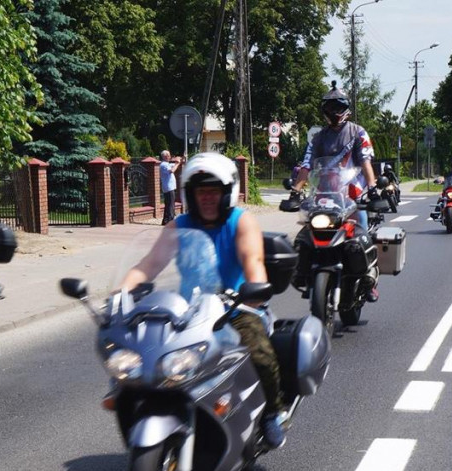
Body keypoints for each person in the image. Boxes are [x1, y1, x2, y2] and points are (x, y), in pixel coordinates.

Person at [120, 153, 288, 449]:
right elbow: (149, 264)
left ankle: (273, 412)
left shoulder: (241, 221)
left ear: (226, 193)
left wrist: (255, 292)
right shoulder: (178, 226)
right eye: (201, 192)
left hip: (237, 307)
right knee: (147, 358)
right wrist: (120, 295)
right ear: (191, 195)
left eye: (213, 191)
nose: (208, 198)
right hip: (188, 311)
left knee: (260, 351)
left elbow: (254, 260)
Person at [287, 81, 383, 302]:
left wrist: (373, 189)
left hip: (352, 194)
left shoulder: (358, 132)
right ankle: (302, 272)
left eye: (338, 107)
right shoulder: (318, 138)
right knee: (304, 236)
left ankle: (368, 277)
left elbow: (366, 163)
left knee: (361, 232)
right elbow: (306, 166)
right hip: (323, 195)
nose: (334, 112)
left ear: (346, 108)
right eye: (329, 107)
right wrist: (294, 191)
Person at [159, 150, 183, 225]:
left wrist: (180, 160)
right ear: (165, 156)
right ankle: (170, 221)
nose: (170, 157)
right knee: (171, 205)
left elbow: (174, 165)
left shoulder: (166, 164)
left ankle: (166, 220)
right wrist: (177, 163)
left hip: (169, 187)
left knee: (168, 204)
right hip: (169, 188)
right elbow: (172, 170)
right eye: (169, 155)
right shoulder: (164, 165)